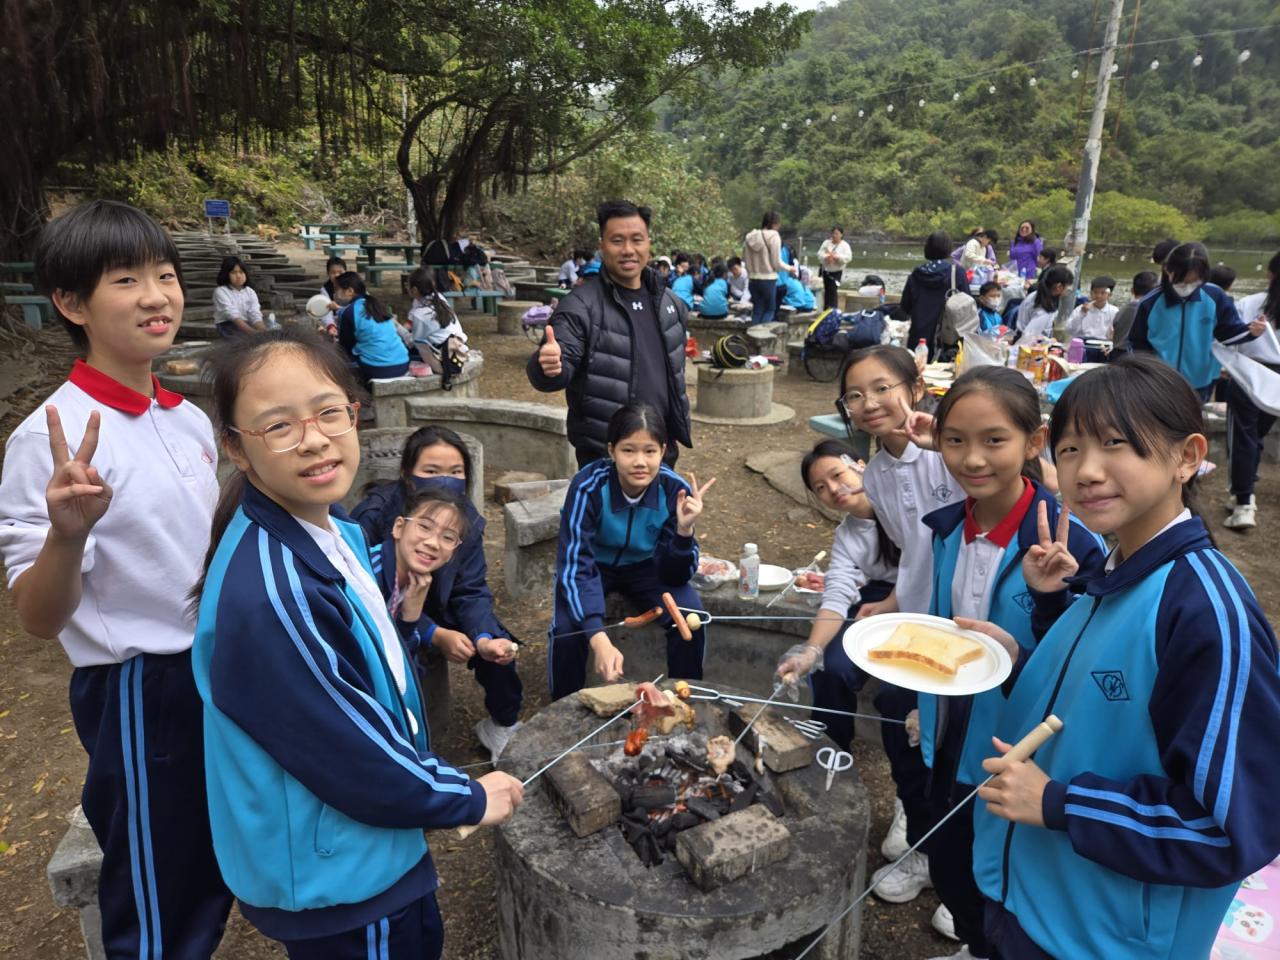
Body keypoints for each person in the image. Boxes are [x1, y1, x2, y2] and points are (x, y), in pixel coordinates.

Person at [190, 328, 524, 959]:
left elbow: (363, 666)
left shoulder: (333, 530)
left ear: (354, 412)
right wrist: (466, 796)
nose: (314, 438)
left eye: (328, 412)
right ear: (236, 447)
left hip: (368, 840)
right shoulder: (276, 592)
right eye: (278, 426)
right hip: (340, 868)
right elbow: (347, 750)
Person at [967, 355, 1280, 960]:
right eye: (1070, 449)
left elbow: (1230, 829)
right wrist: (1025, 650)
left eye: (1116, 444)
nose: (1087, 471)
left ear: (1187, 456)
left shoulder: (1204, 611)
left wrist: (1060, 803)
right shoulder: (1114, 572)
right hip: (1038, 899)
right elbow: (1102, 705)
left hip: (1108, 940)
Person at [0, 200, 233, 957]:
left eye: (165, 275)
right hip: (141, 690)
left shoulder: (186, 417)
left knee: (213, 863)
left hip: (215, 667)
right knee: (161, 893)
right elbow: (38, 618)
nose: (157, 296)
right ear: (71, 303)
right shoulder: (49, 440)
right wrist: (67, 535)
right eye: (126, 280)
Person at [914, 367, 1105, 960]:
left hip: (1017, 752)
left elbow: (1082, 666)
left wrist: (1044, 608)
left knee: (999, 876)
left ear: (1034, 442)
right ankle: (975, 944)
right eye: (955, 440)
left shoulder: (1071, 544)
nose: (972, 458)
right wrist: (922, 705)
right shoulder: (949, 530)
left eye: (994, 440)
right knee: (949, 863)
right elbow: (942, 628)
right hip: (951, 732)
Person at [835, 345, 962, 905]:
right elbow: (915, 548)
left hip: (970, 618)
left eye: (882, 388)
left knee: (959, 741)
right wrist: (892, 601)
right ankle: (922, 840)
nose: (869, 403)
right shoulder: (878, 475)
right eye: (855, 395)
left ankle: (965, 874)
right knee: (897, 719)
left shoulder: (950, 448)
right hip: (916, 622)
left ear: (915, 387)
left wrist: (945, 444)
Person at [352, 425, 524, 758]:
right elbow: (372, 598)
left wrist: (483, 637)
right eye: (431, 471)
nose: (444, 481)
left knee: (497, 643)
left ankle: (502, 724)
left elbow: (471, 591)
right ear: (407, 475)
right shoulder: (374, 517)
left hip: (439, 602)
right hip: (386, 605)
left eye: (455, 472)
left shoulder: (466, 520)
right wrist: (433, 634)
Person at [548, 404, 714, 699]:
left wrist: (684, 532)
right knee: (567, 632)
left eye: (650, 451)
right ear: (611, 450)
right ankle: (563, 708)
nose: (640, 462)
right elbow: (575, 564)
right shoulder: (588, 486)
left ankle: (684, 700)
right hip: (594, 567)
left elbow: (677, 575)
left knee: (692, 617)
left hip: (647, 567)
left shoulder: (674, 490)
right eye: (628, 450)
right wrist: (597, 636)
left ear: (663, 451)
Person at [526, 199, 693, 468]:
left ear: (648, 243)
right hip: (605, 456)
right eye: (617, 241)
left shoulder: (670, 303)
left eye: (636, 240)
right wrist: (547, 366)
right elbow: (558, 362)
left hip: (659, 452)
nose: (628, 250)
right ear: (602, 245)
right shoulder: (581, 306)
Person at [775, 443, 897, 753]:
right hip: (877, 597)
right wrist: (811, 651)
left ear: (860, 466)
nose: (832, 489)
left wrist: (893, 604)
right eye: (820, 487)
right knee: (830, 668)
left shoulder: (903, 505)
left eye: (837, 475)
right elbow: (838, 593)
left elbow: (924, 563)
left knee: (897, 693)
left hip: (926, 598)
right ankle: (831, 750)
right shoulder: (847, 534)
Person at [1129, 241, 1263, 397]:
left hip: (1200, 380)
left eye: (1194, 282)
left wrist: (1250, 331)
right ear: (1167, 269)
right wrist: (1144, 373)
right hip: (1160, 380)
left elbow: (1227, 333)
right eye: (1182, 281)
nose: (1187, 286)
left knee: (1195, 412)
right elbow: (1137, 343)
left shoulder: (1215, 296)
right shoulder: (1150, 302)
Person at [1223, 251, 1280, 530]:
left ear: (1270, 274)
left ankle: (1244, 502)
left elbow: (1230, 337)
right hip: (1277, 381)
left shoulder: (1251, 303)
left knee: (1243, 438)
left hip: (1249, 375)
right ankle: (1243, 492)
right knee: (1256, 436)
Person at [335, 271, 410, 383]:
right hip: (403, 363)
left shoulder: (348, 312)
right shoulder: (376, 304)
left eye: (337, 290)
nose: (335, 294)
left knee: (338, 359)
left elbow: (345, 347)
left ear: (350, 291)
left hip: (378, 369)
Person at [901, 230, 962, 358]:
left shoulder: (916, 274)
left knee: (917, 367)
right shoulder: (956, 273)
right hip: (947, 339)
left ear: (927, 248)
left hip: (918, 337)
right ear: (948, 249)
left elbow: (905, 306)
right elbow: (966, 305)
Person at [405, 268, 468, 376]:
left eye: (407, 285)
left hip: (446, 359)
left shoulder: (420, 314)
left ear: (414, 290)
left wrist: (396, 326)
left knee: (406, 351)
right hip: (460, 347)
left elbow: (413, 343)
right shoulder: (439, 298)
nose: (406, 287)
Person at [743, 211, 796, 326]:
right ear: (774, 223)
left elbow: (745, 260)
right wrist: (790, 268)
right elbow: (776, 263)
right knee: (770, 309)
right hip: (768, 279)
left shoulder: (750, 237)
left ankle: (753, 334)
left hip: (753, 279)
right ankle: (762, 335)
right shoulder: (774, 236)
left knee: (757, 310)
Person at [1014, 265, 1073, 342]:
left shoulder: (1035, 294)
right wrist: (1048, 342)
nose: (1066, 292)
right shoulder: (1044, 310)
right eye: (1067, 288)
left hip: (1020, 336)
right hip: (1025, 343)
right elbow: (1027, 338)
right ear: (1059, 287)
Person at [212, 255, 264, 337]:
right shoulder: (221, 291)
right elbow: (232, 315)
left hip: (246, 323)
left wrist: (264, 331)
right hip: (228, 325)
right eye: (233, 273)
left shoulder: (250, 291)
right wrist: (253, 333)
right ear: (226, 275)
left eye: (241, 272)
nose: (238, 276)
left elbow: (254, 313)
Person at [1111, 270, 1158, 351]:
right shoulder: (1149, 310)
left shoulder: (1122, 309)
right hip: (1135, 353)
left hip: (1118, 351)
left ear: (1132, 290)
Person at [1064, 276, 1119, 341]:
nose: (1098, 296)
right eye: (1095, 292)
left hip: (1104, 343)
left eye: (1103, 293)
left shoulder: (1114, 311)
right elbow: (1069, 330)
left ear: (1109, 295)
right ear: (1090, 293)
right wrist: (1082, 314)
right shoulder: (1080, 309)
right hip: (1083, 341)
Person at [818, 226, 852, 311]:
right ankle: (826, 310)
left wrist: (837, 257)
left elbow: (848, 257)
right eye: (833, 233)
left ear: (841, 235)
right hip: (826, 271)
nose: (834, 235)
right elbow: (819, 254)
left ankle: (833, 310)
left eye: (837, 233)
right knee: (827, 291)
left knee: (833, 291)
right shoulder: (826, 243)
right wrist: (827, 257)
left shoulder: (844, 245)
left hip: (836, 271)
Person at [320, 255, 348, 335]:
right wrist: (330, 325)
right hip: (336, 322)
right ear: (328, 274)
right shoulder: (325, 289)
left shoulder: (352, 285)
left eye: (340, 272)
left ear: (346, 272)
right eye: (333, 272)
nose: (337, 275)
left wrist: (339, 308)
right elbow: (326, 311)